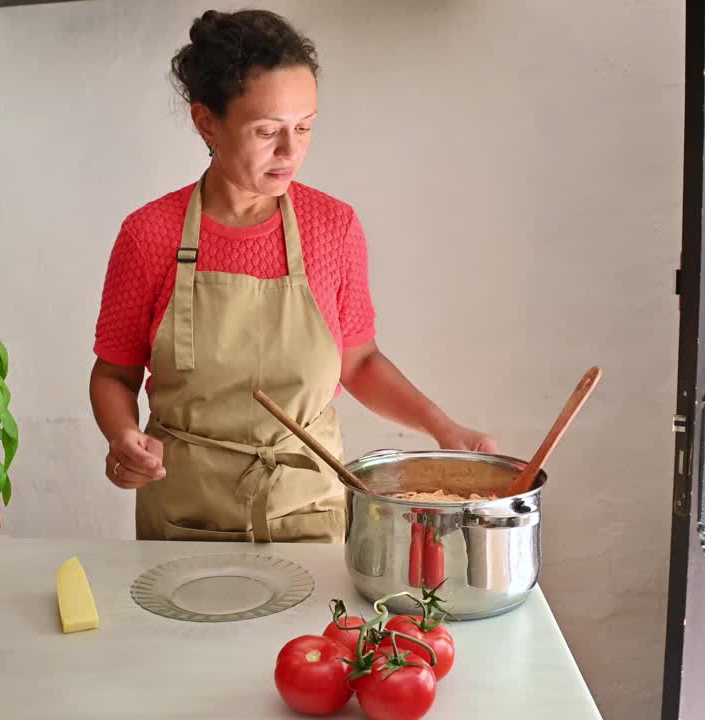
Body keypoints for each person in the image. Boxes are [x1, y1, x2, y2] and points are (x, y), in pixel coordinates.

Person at [89, 9, 496, 543]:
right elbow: (114, 376)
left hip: (308, 508)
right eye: (266, 131)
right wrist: (122, 437)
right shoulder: (149, 235)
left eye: (304, 127)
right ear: (206, 121)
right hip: (184, 513)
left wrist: (442, 428)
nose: (291, 151)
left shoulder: (333, 227)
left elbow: (361, 361)